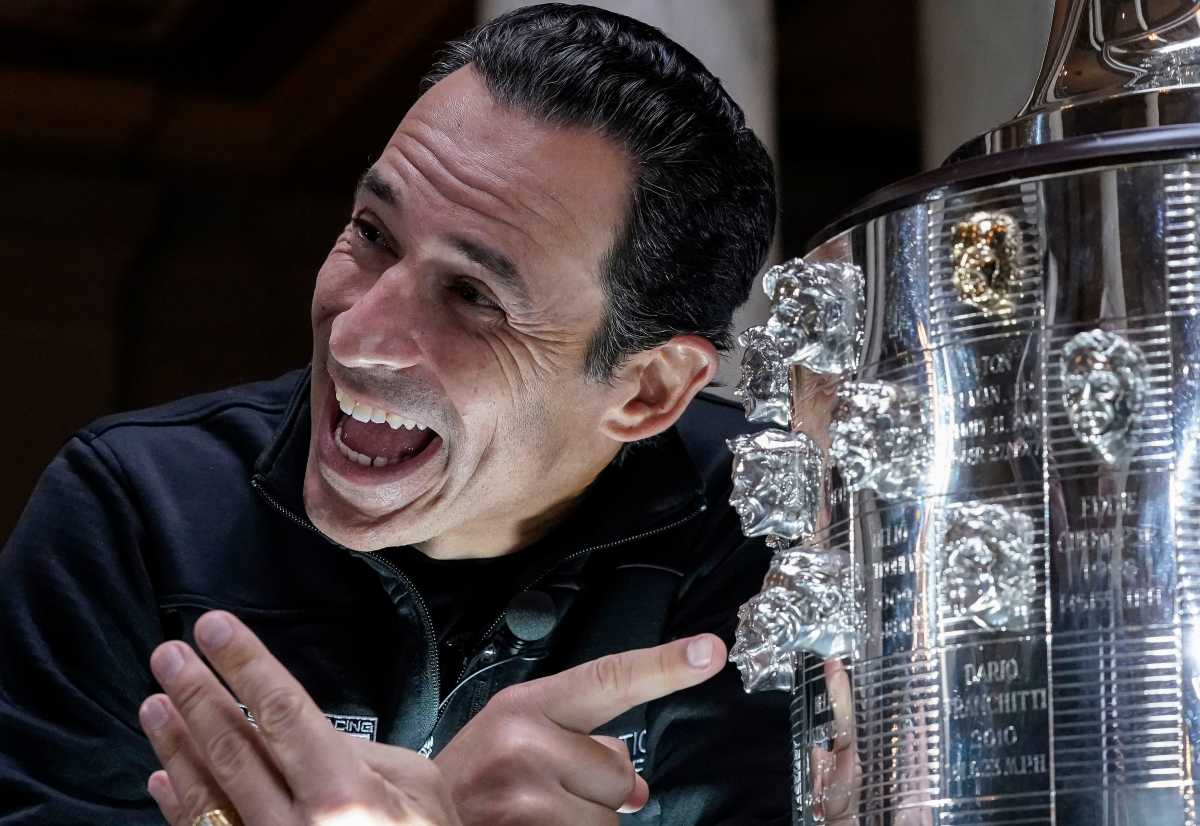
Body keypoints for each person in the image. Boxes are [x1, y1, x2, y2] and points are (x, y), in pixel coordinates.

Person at [0, 4, 788, 824]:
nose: (356, 332)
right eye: (374, 233)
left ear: (648, 390)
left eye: (474, 296)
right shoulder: (135, 510)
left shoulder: (773, 535)